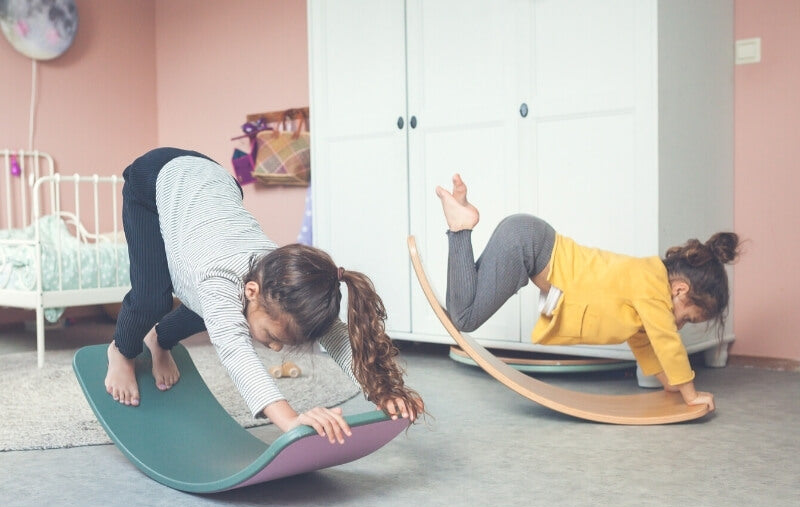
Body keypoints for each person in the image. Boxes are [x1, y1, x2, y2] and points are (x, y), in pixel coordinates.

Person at [105, 147, 424, 443]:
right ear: (252, 291)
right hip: (154, 179)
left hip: (215, 183)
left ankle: (158, 340)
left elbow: (338, 339)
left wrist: (381, 390)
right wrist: (290, 420)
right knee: (152, 299)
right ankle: (121, 351)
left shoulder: (284, 280)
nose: (274, 347)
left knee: (221, 312)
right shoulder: (219, 281)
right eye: (272, 336)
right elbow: (236, 353)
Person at [436, 173, 741, 411]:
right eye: (687, 317)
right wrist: (690, 392)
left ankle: (460, 221)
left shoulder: (645, 288)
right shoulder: (652, 286)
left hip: (527, 238)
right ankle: (460, 227)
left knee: (463, 307)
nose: (679, 325)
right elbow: (667, 342)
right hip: (528, 244)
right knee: (464, 317)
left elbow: (645, 344)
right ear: (680, 290)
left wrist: (668, 383)